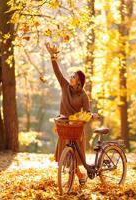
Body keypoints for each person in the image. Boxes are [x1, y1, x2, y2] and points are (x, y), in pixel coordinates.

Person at [45, 42, 95, 185]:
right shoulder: (65, 86)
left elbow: (87, 112)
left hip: (75, 128)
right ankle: (80, 176)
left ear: (79, 81)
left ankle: (76, 177)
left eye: (73, 76)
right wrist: (53, 56)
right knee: (64, 156)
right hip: (64, 126)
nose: (70, 77)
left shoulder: (83, 96)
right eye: (71, 76)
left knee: (74, 157)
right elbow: (57, 72)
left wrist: (86, 117)